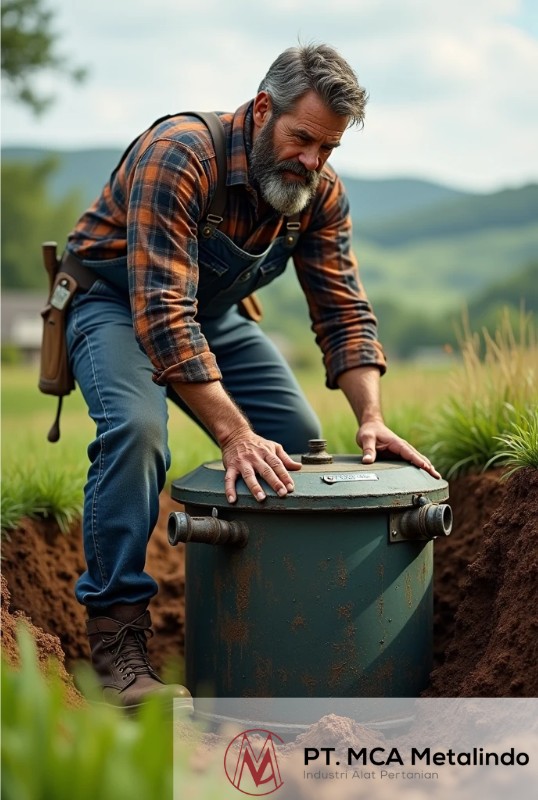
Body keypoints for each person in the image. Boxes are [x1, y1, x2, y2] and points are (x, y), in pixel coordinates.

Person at [62, 43, 440, 709]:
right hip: (116, 304)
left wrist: (371, 417)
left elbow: (344, 311)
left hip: (211, 313)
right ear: (264, 108)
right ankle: (116, 643)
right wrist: (233, 434)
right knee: (137, 433)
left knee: (293, 447)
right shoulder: (181, 154)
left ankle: (267, 632)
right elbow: (161, 314)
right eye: (302, 139)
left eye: (328, 149)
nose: (312, 162)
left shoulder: (318, 193)